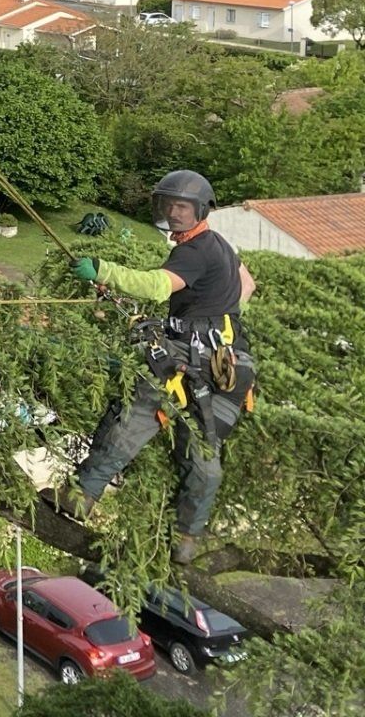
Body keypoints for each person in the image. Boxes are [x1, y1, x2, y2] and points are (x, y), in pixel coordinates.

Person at [54, 170, 257, 563]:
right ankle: (186, 538)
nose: (174, 213)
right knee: (203, 443)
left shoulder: (194, 251)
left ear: (200, 210)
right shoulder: (221, 246)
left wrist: (102, 269)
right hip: (228, 363)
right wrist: (217, 317)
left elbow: (156, 286)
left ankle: (81, 497)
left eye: (182, 206)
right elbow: (246, 285)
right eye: (169, 205)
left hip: (192, 360)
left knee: (136, 415)